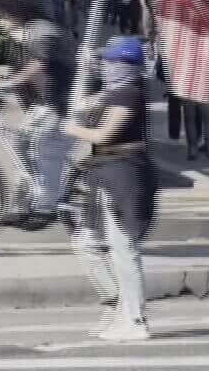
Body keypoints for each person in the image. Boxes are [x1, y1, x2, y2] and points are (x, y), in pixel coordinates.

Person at [62, 36, 158, 342]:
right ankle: (117, 304)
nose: (104, 66)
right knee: (86, 241)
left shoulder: (129, 93)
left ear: (124, 65)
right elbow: (88, 102)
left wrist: (72, 128)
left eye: (109, 61)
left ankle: (135, 318)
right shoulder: (111, 92)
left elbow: (106, 133)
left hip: (125, 172)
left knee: (123, 248)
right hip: (103, 171)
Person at [0, 0, 78, 224]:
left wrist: (8, 85)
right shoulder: (19, 37)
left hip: (64, 105)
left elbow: (39, 64)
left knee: (45, 149)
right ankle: (24, 206)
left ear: (16, 12)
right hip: (42, 107)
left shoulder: (42, 31)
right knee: (19, 145)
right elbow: (17, 73)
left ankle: (47, 209)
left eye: (2, 15)